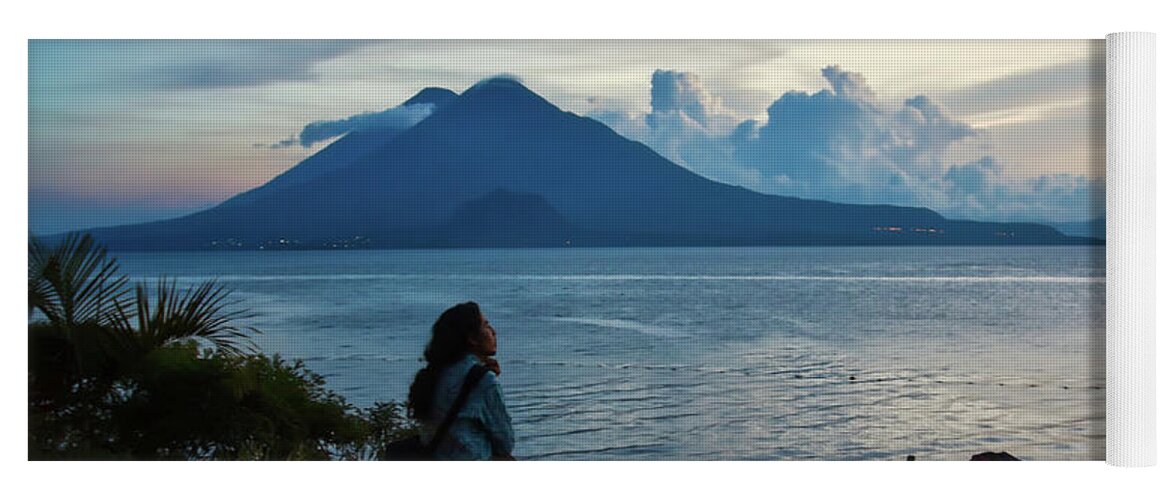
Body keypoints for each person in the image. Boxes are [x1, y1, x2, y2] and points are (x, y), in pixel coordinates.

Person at [407, 302, 515, 460]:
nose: (493, 331)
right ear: (472, 338)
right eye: (486, 325)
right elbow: (505, 442)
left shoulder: (432, 374)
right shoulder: (484, 381)